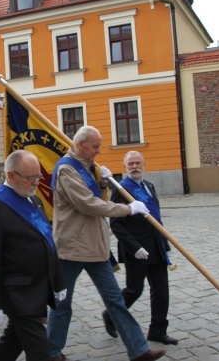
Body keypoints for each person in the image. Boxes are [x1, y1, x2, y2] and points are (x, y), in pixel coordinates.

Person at [47, 126, 165, 361]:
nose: (99, 151)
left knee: (116, 301)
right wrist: (128, 209)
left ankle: (139, 350)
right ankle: (51, 352)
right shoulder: (67, 169)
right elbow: (87, 204)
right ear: (80, 145)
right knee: (62, 304)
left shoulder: (88, 167)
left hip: (96, 246)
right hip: (72, 247)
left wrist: (103, 184)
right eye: (95, 146)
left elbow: (96, 196)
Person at [0, 150, 66, 361]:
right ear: (11, 176)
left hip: (37, 288)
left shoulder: (33, 201)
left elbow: (48, 243)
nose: (36, 182)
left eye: (38, 176)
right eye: (30, 177)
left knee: (11, 343)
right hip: (17, 294)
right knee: (40, 351)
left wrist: (58, 281)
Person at [102, 151, 178, 345]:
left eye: (137, 163)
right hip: (136, 250)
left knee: (161, 290)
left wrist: (165, 243)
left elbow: (156, 218)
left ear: (144, 164)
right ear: (125, 166)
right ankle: (110, 315)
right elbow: (116, 223)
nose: (134, 166)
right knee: (134, 290)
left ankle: (157, 331)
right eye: (130, 164)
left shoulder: (149, 186)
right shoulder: (121, 189)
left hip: (156, 246)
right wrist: (134, 247)